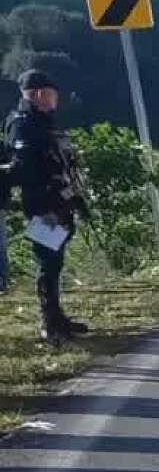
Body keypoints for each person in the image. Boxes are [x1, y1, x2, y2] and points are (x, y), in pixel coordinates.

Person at [6, 69, 91, 342]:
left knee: (56, 262)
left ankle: (58, 318)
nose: (56, 99)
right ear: (39, 93)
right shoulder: (23, 123)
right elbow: (24, 168)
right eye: (53, 94)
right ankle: (49, 322)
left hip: (60, 201)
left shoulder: (44, 122)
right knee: (48, 262)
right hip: (42, 204)